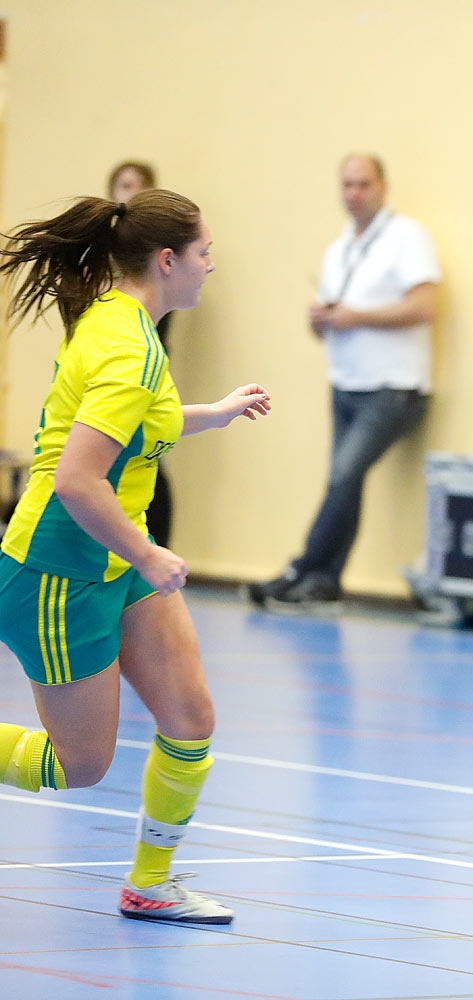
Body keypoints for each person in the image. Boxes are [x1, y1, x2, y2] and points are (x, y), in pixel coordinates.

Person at [0, 190, 272, 924]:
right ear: (167, 260)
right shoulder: (125, 346)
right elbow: (76, 478)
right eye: (205, 253)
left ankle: (151, 884)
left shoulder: (123, 322)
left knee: (190, 719)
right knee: (79, 765)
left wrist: (210, 413)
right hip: (63, 570)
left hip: (111, 560)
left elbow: (133, 423)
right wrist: (149, 554)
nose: (211, 267)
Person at [247, 153, 439, 610]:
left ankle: (300, 569)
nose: (354, 194)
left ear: (383, 186)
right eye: (347, 186)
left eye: (363, 185)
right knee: (344, 484)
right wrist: (321, 320)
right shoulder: (340, 249)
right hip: (346, 382)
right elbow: (327, 324)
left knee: (343, 475)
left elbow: (425, 307)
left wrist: (358, 318)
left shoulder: (406, 237)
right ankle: (326, 583)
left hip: (393, 386)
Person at [107, 160, 175, 548]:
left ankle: (158, 545)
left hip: (148, 360)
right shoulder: (112, 258)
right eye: (121, 185)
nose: (126, 192)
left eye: (135, 186)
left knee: (152, 447)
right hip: (121, 361)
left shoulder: (157, 252)